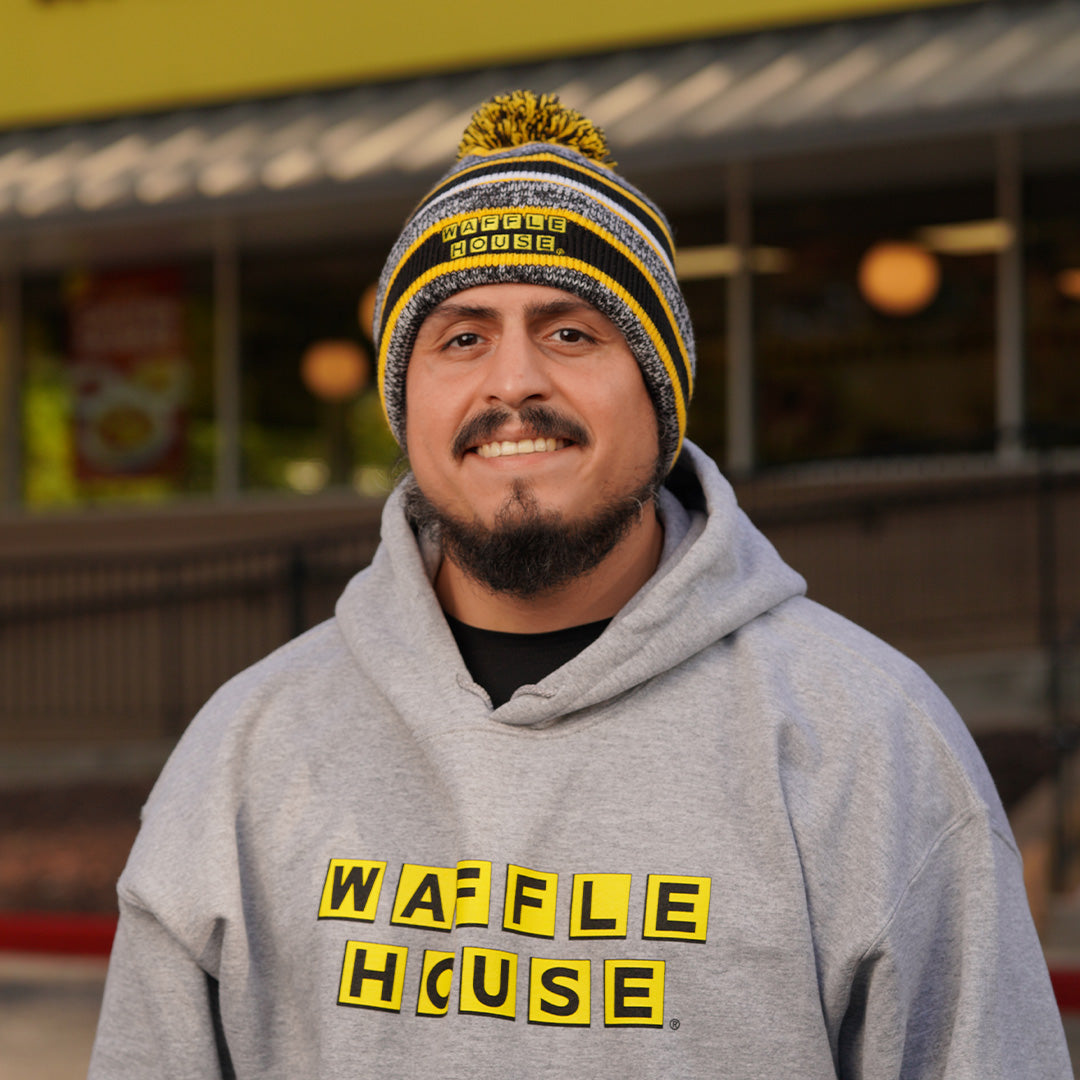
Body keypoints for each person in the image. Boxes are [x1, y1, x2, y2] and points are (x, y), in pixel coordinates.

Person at [89, 90, 1070, 1079]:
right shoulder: (250, 750)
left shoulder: (869, 739)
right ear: (406, 403)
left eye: (570, 333)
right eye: (461, 337)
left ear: (660, 395)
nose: (512, 383)